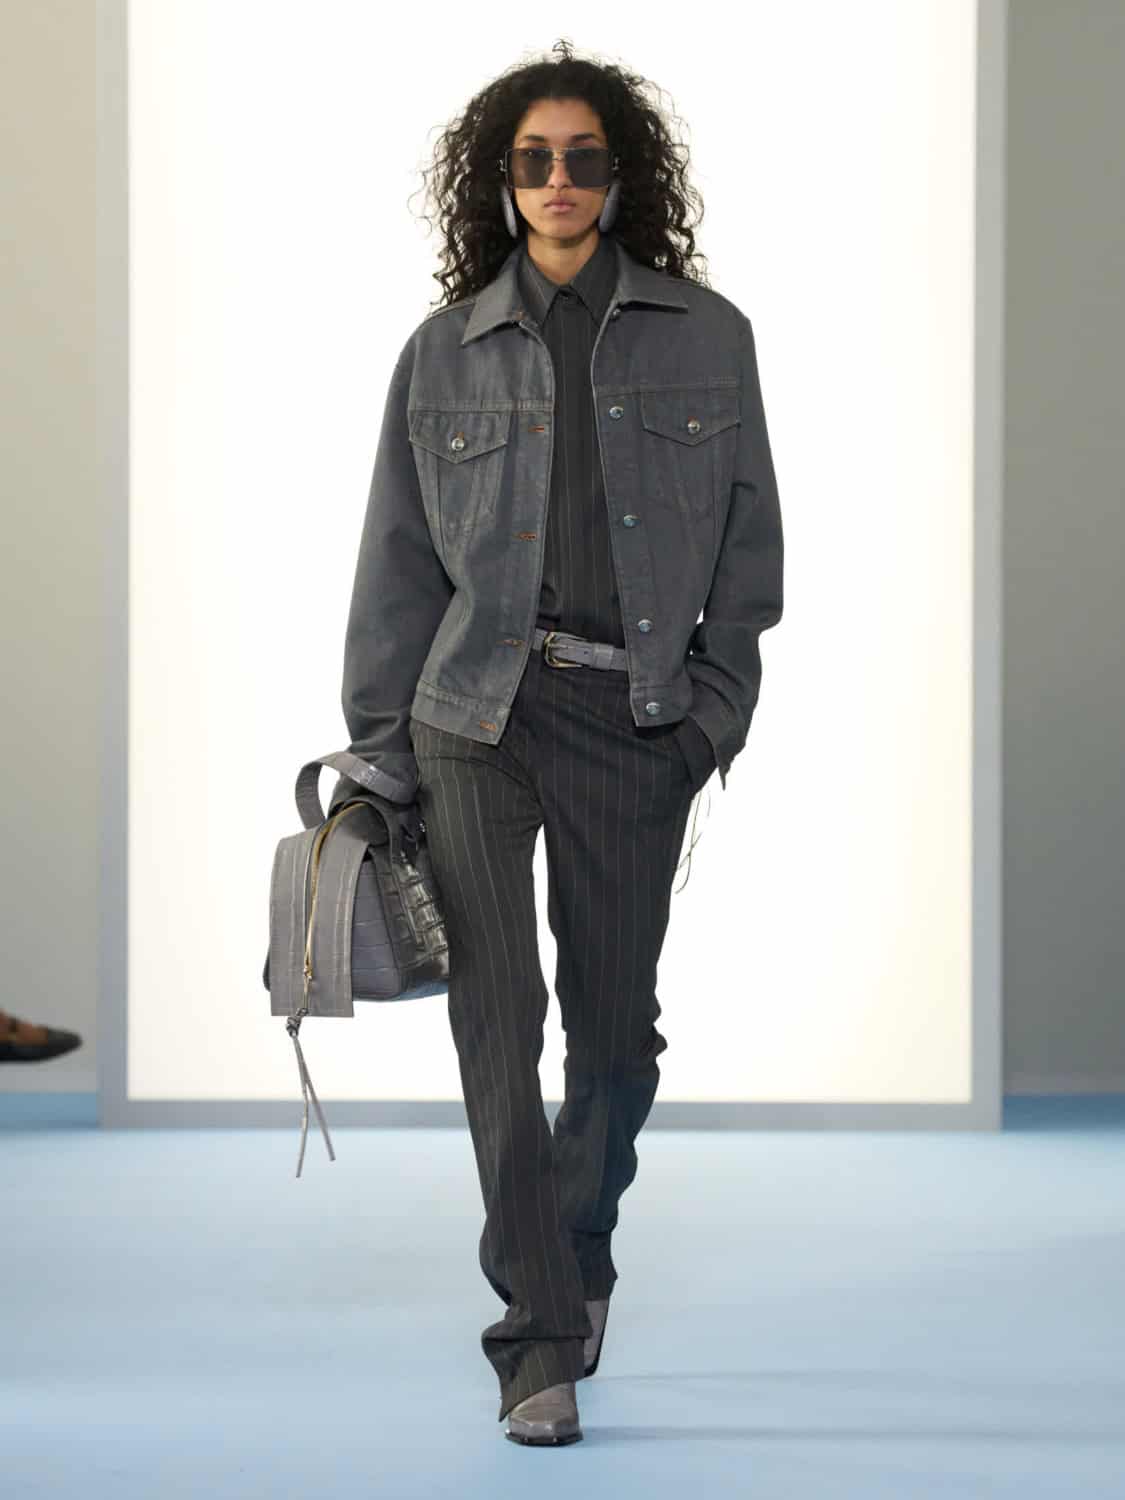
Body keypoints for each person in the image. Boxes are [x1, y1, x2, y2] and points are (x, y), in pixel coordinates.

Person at [326, 40, 784, 1445]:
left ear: (620, 173)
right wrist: (377, 754)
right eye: (533, 159)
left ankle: (576, 1248)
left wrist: (708, 715)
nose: (559, 180)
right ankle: (534, 1334)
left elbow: (748, 550)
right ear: (501, 179)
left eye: (583, 157)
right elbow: (397, 565)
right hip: (473, 716)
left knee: (616, 1034)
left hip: (635, 721)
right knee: (497, 1017)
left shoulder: (708, 337)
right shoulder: (442, 351)